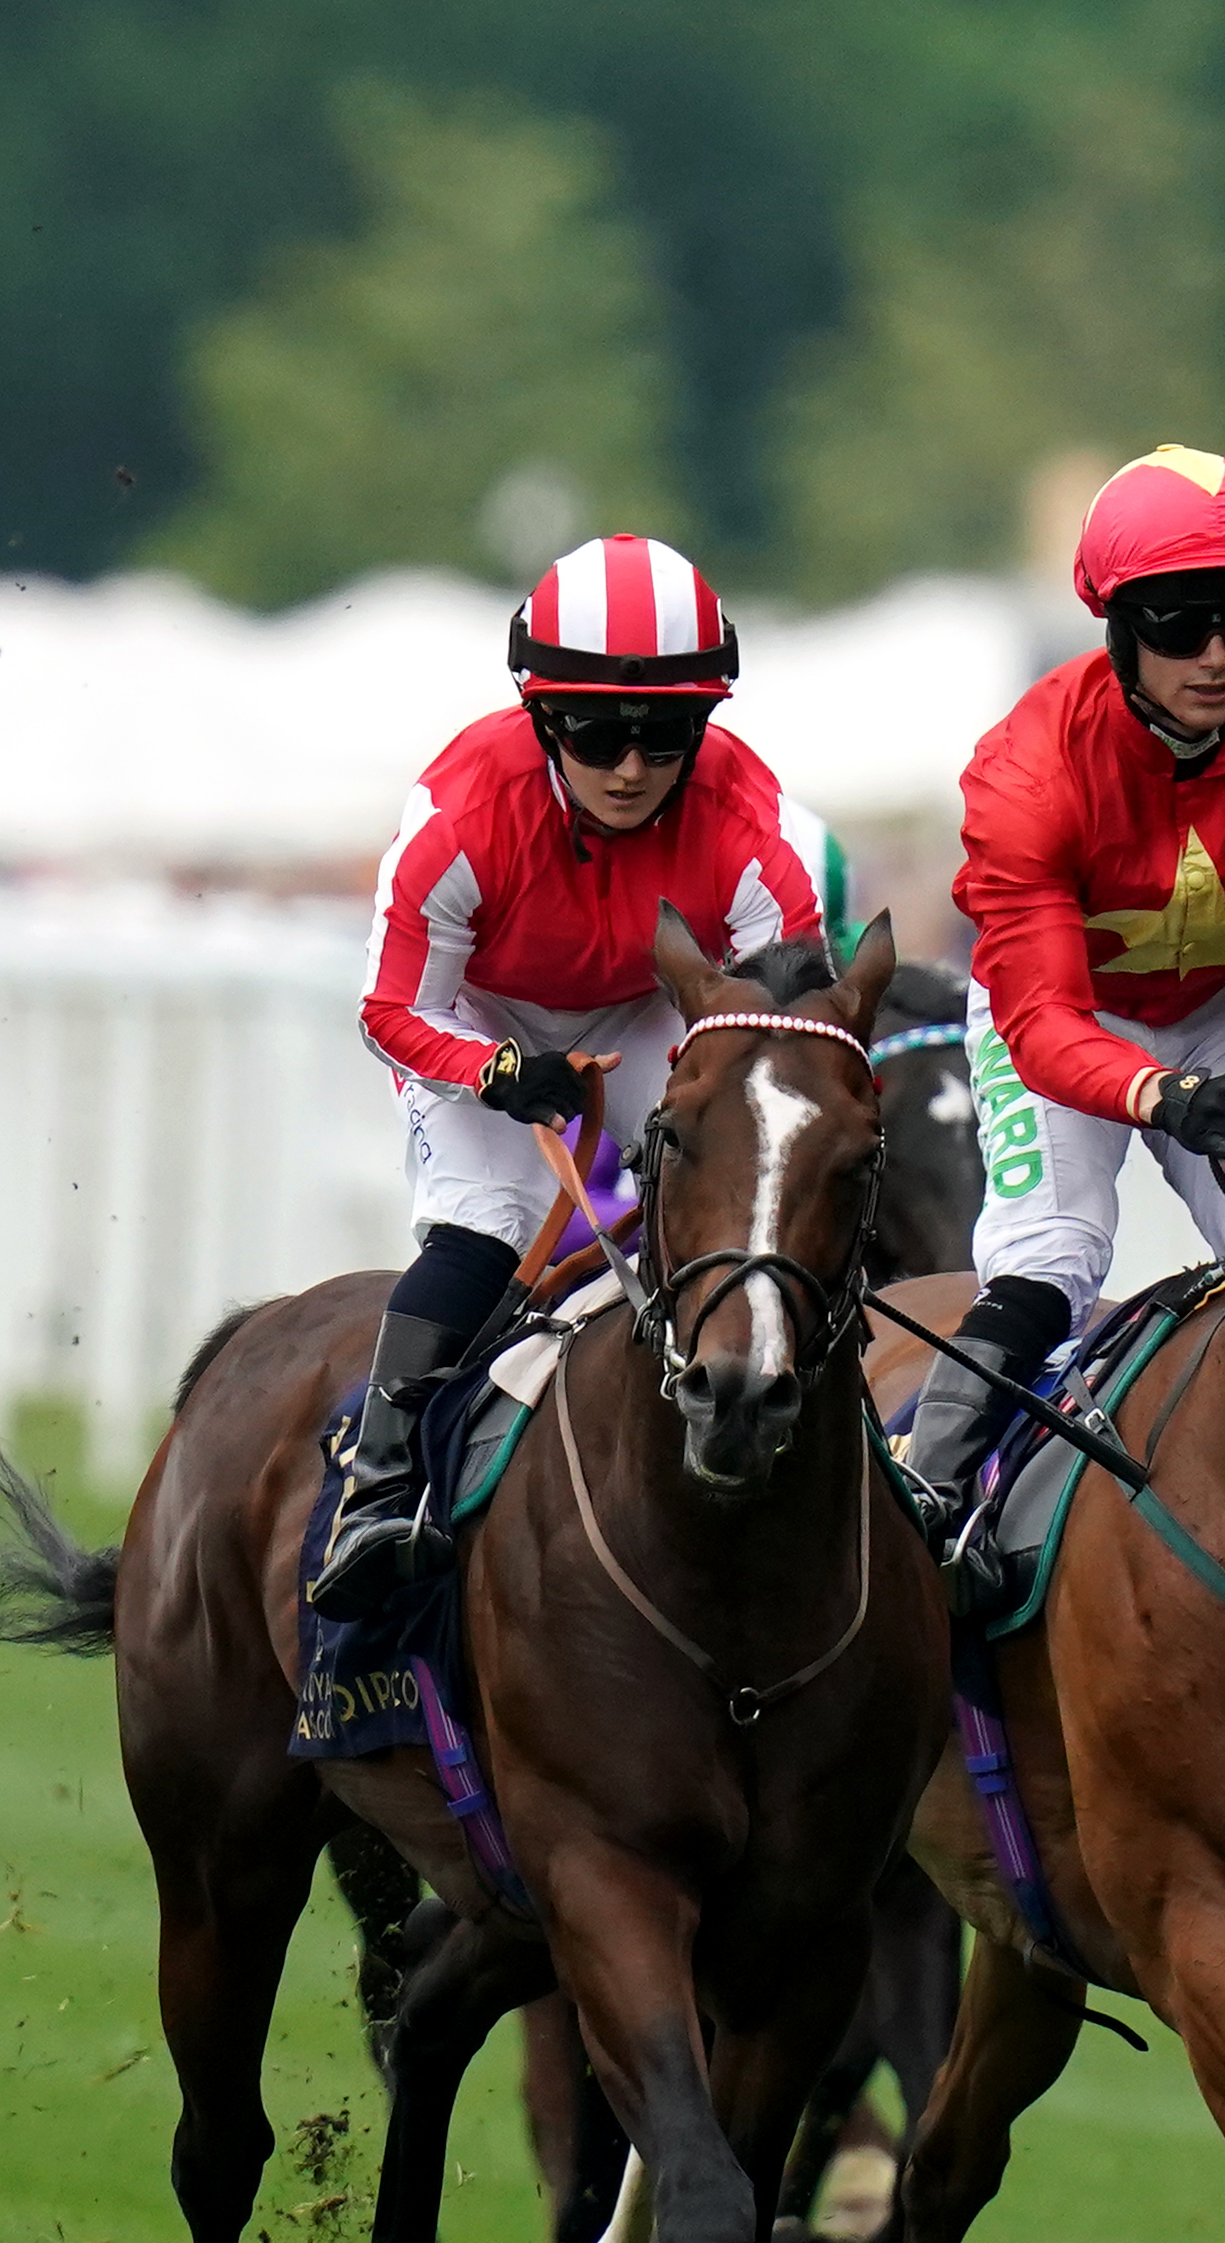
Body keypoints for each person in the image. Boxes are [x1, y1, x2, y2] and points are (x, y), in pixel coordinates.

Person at [899, 444, 1225, 1517]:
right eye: (1182, 625)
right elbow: (1044, 1020)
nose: (1218, 655)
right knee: (1051, 1262)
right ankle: (926, 1498)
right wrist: (1164, 1096)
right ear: (1118, 629)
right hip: (1058, 1016)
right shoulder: (1029, 770)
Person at [307, 533, 821, 1617]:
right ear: (541, 715)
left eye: (665, 734)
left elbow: (783, 1030)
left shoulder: (756, 828)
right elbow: (392, 1010)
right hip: (479, 1016)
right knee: (490, 1222)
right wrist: (497, 1070)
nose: (630, 767)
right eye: (594, 733)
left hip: (653, 1007)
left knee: (744, 1209)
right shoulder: (456, 822)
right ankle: (381, 1483)